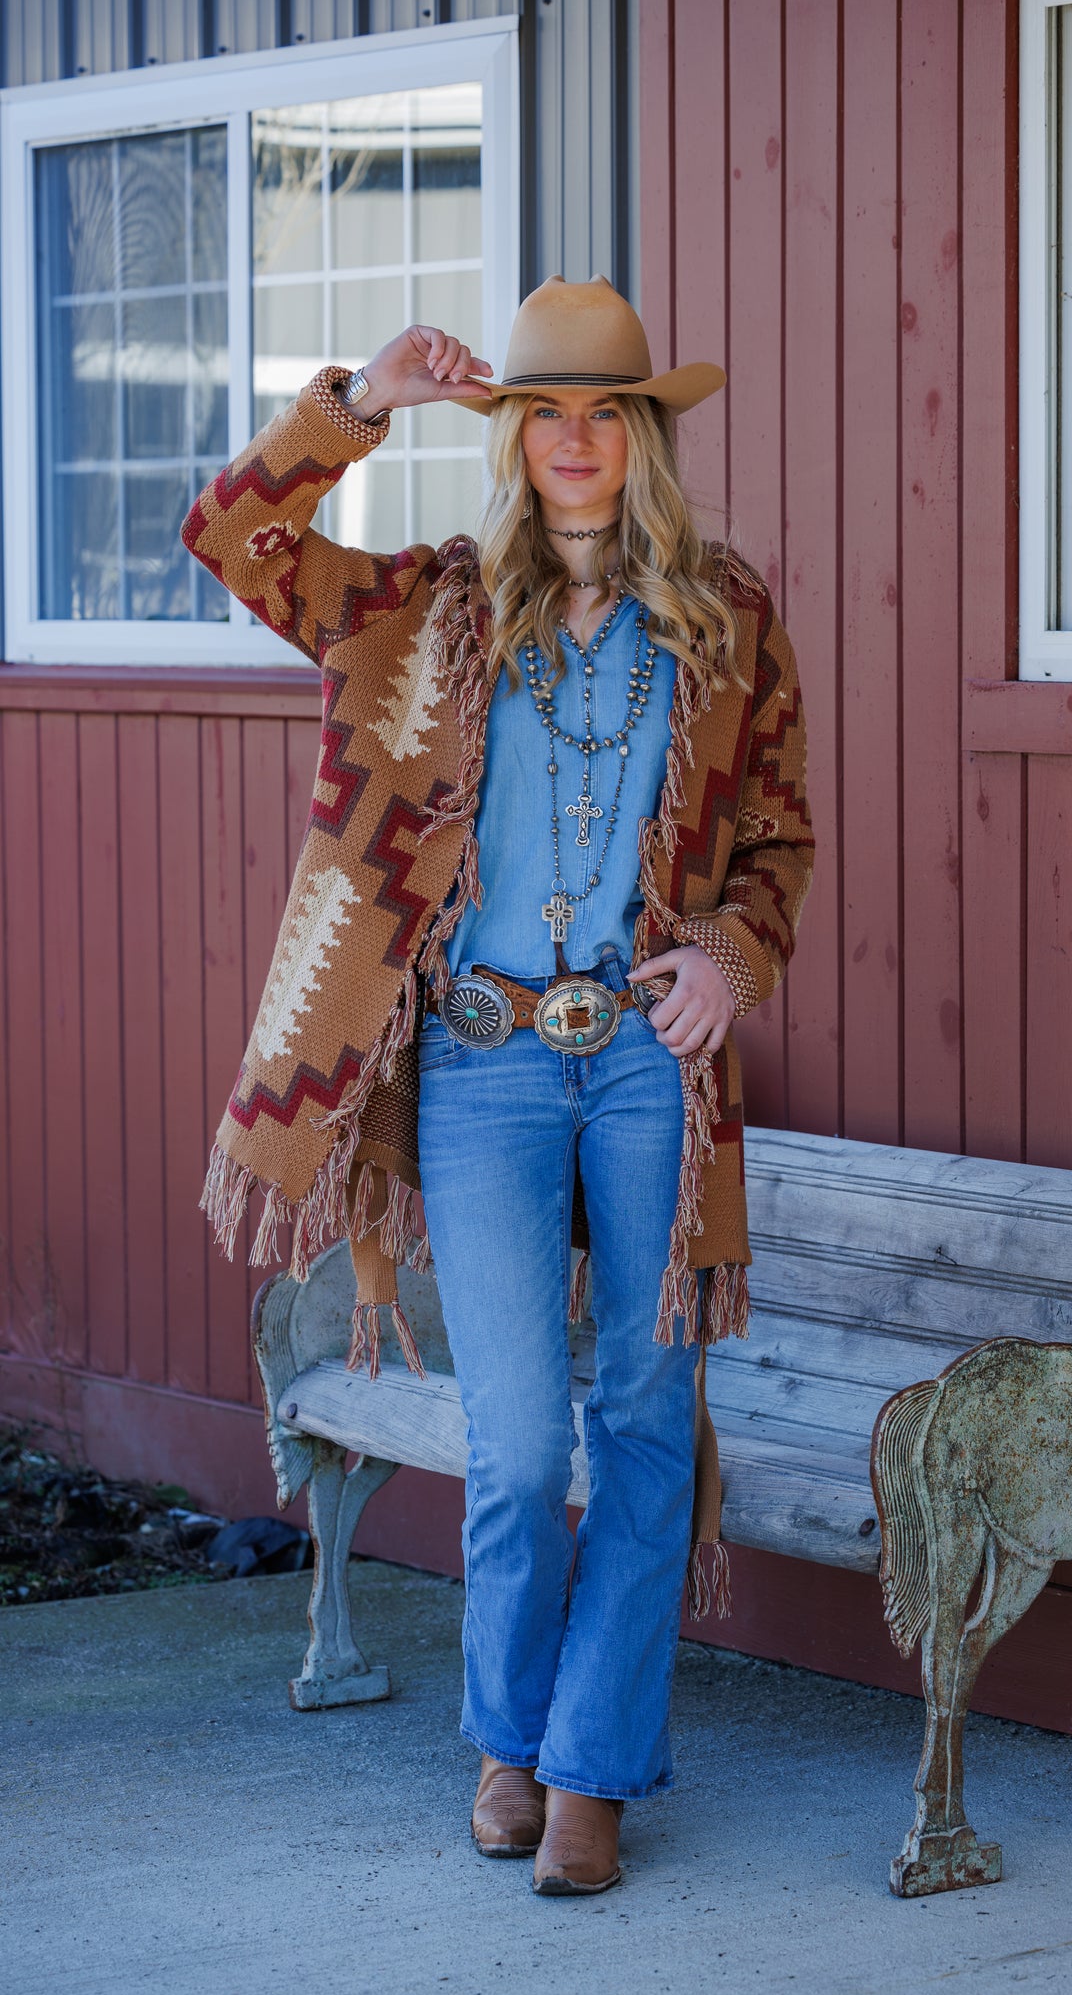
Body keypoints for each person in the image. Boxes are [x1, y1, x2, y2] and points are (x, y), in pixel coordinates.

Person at [184, 275, 814, 1895]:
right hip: (477, 1065)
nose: (578, 441)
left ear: (645, 435)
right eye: (546, 413)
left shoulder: (730, 618)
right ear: (512, 437)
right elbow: (233, 541)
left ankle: (594, 1772)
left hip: (650, 1072)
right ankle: (507, 1740)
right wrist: (361, 405)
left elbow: (775, 845)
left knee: (649, 1425)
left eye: (607, 411)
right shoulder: (431, 608)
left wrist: (725, 963)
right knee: (524, 1446)